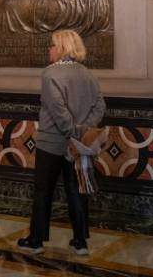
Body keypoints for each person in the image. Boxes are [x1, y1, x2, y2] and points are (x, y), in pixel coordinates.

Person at [17, 29, 106, 255]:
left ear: (62, 48)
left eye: (53, 45)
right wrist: (82, 132)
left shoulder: (49, 74)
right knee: (77, 191)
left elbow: (57, 110)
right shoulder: (87, 73)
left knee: (43, 191)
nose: (50, 49)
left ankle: (36, 241)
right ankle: (80, 241)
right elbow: (100, 106)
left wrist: (72, 132)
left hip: (52, 143)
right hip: (80, 144)